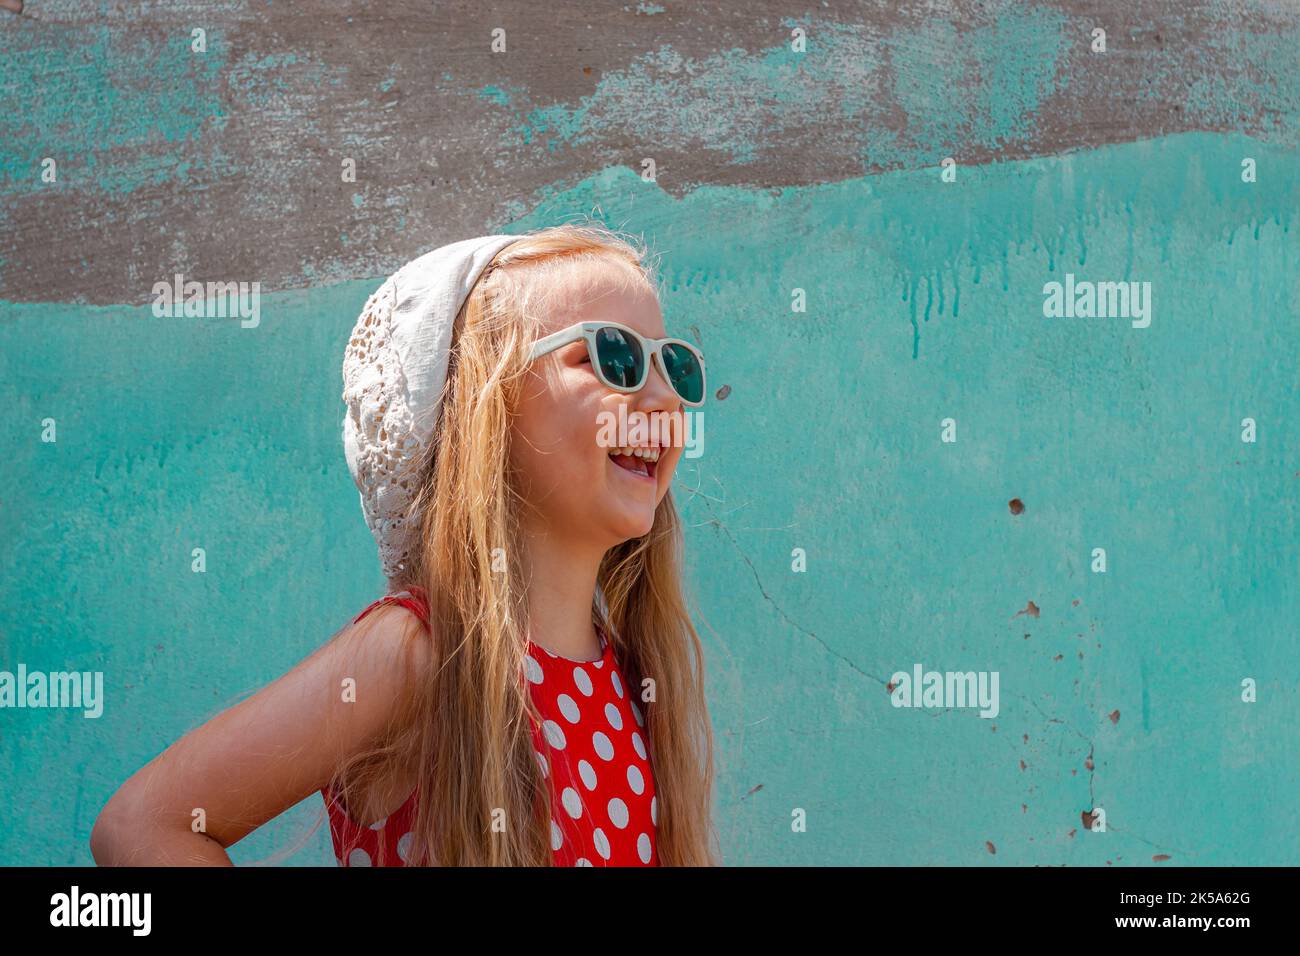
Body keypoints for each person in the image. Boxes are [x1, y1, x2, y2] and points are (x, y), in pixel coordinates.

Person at [90, 222, 719, 866]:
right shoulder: (420, 656)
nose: (663, 396)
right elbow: (143, 826)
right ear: (484, 406)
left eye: (675, 365)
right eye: (612, 356)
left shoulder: (633, 675)